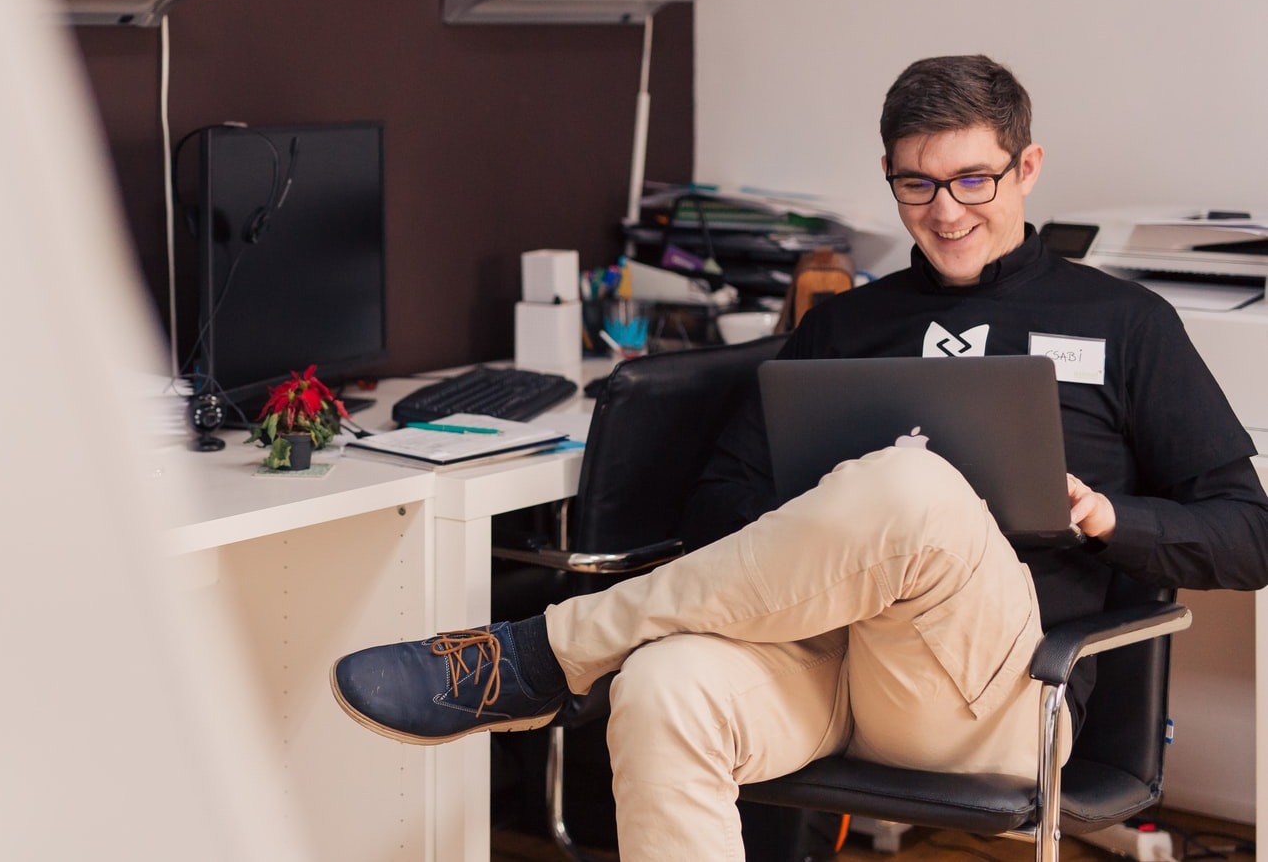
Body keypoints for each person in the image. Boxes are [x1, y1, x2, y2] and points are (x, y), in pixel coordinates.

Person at [329, 54, 1268, 860]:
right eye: (916, 184)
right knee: (663, 687)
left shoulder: (1125, 323)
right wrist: (827, 517)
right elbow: (720, 503)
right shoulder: (844, 323)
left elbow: (1248, 533)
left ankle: (547, 652)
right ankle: (573, 656)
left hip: (999, 695)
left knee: (914, 483)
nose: (944, 213)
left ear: (1026, 168)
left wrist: (1107, 516)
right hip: (820, 666)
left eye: (972, 180)